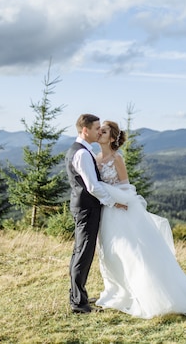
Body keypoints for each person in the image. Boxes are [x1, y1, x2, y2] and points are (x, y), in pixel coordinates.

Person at [94, 120, 186, 319]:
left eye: (104, 131)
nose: (99, 133)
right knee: (110, 252)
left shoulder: (117, 158)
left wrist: (114, 199)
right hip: (106, 212)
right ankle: (118, 291)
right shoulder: (95, 157)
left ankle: (148, 294)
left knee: (132, 253)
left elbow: (125, 186)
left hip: (121, 210)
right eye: (99, 130)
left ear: (112, 137)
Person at [66, 114, 128, 314]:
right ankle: (79, 303)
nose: (98, 131)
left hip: (84, 207)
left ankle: (78, 295)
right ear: (85, 130)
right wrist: (113, 202)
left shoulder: (82, 151)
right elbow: (92, 186)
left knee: (80, 252)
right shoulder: (83, 154)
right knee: (83, 253)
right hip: (87, 208)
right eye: (96, 128)